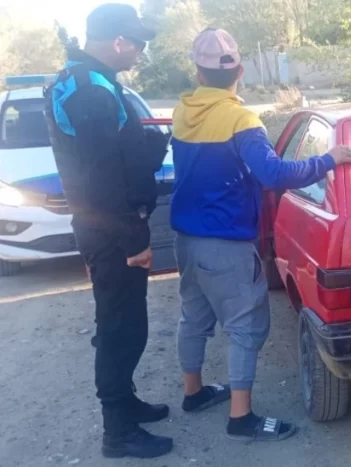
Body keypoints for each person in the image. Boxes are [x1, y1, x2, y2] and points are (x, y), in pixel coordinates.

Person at [171, 28, 351, 442]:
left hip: (187, 240)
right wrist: (329, 159)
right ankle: (241, 419)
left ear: (198, 74)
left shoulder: (183, 111)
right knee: (245, 326)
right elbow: (273, 174)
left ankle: (194, 393)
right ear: (238, 71)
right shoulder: (241, 119)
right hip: (226, 244)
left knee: (194, 317)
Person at [43, 3, 173, 460]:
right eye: (137, 44)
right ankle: (117, 430)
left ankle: (127, 403)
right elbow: (102, 181)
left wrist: (147, 149)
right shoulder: (89, 93)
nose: (139, 53)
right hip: (112, 229)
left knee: (124, 323)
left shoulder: (87, 81)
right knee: (121, 329)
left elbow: (114, 157)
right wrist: (135, 241)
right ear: (119, 42)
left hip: (106, 225)